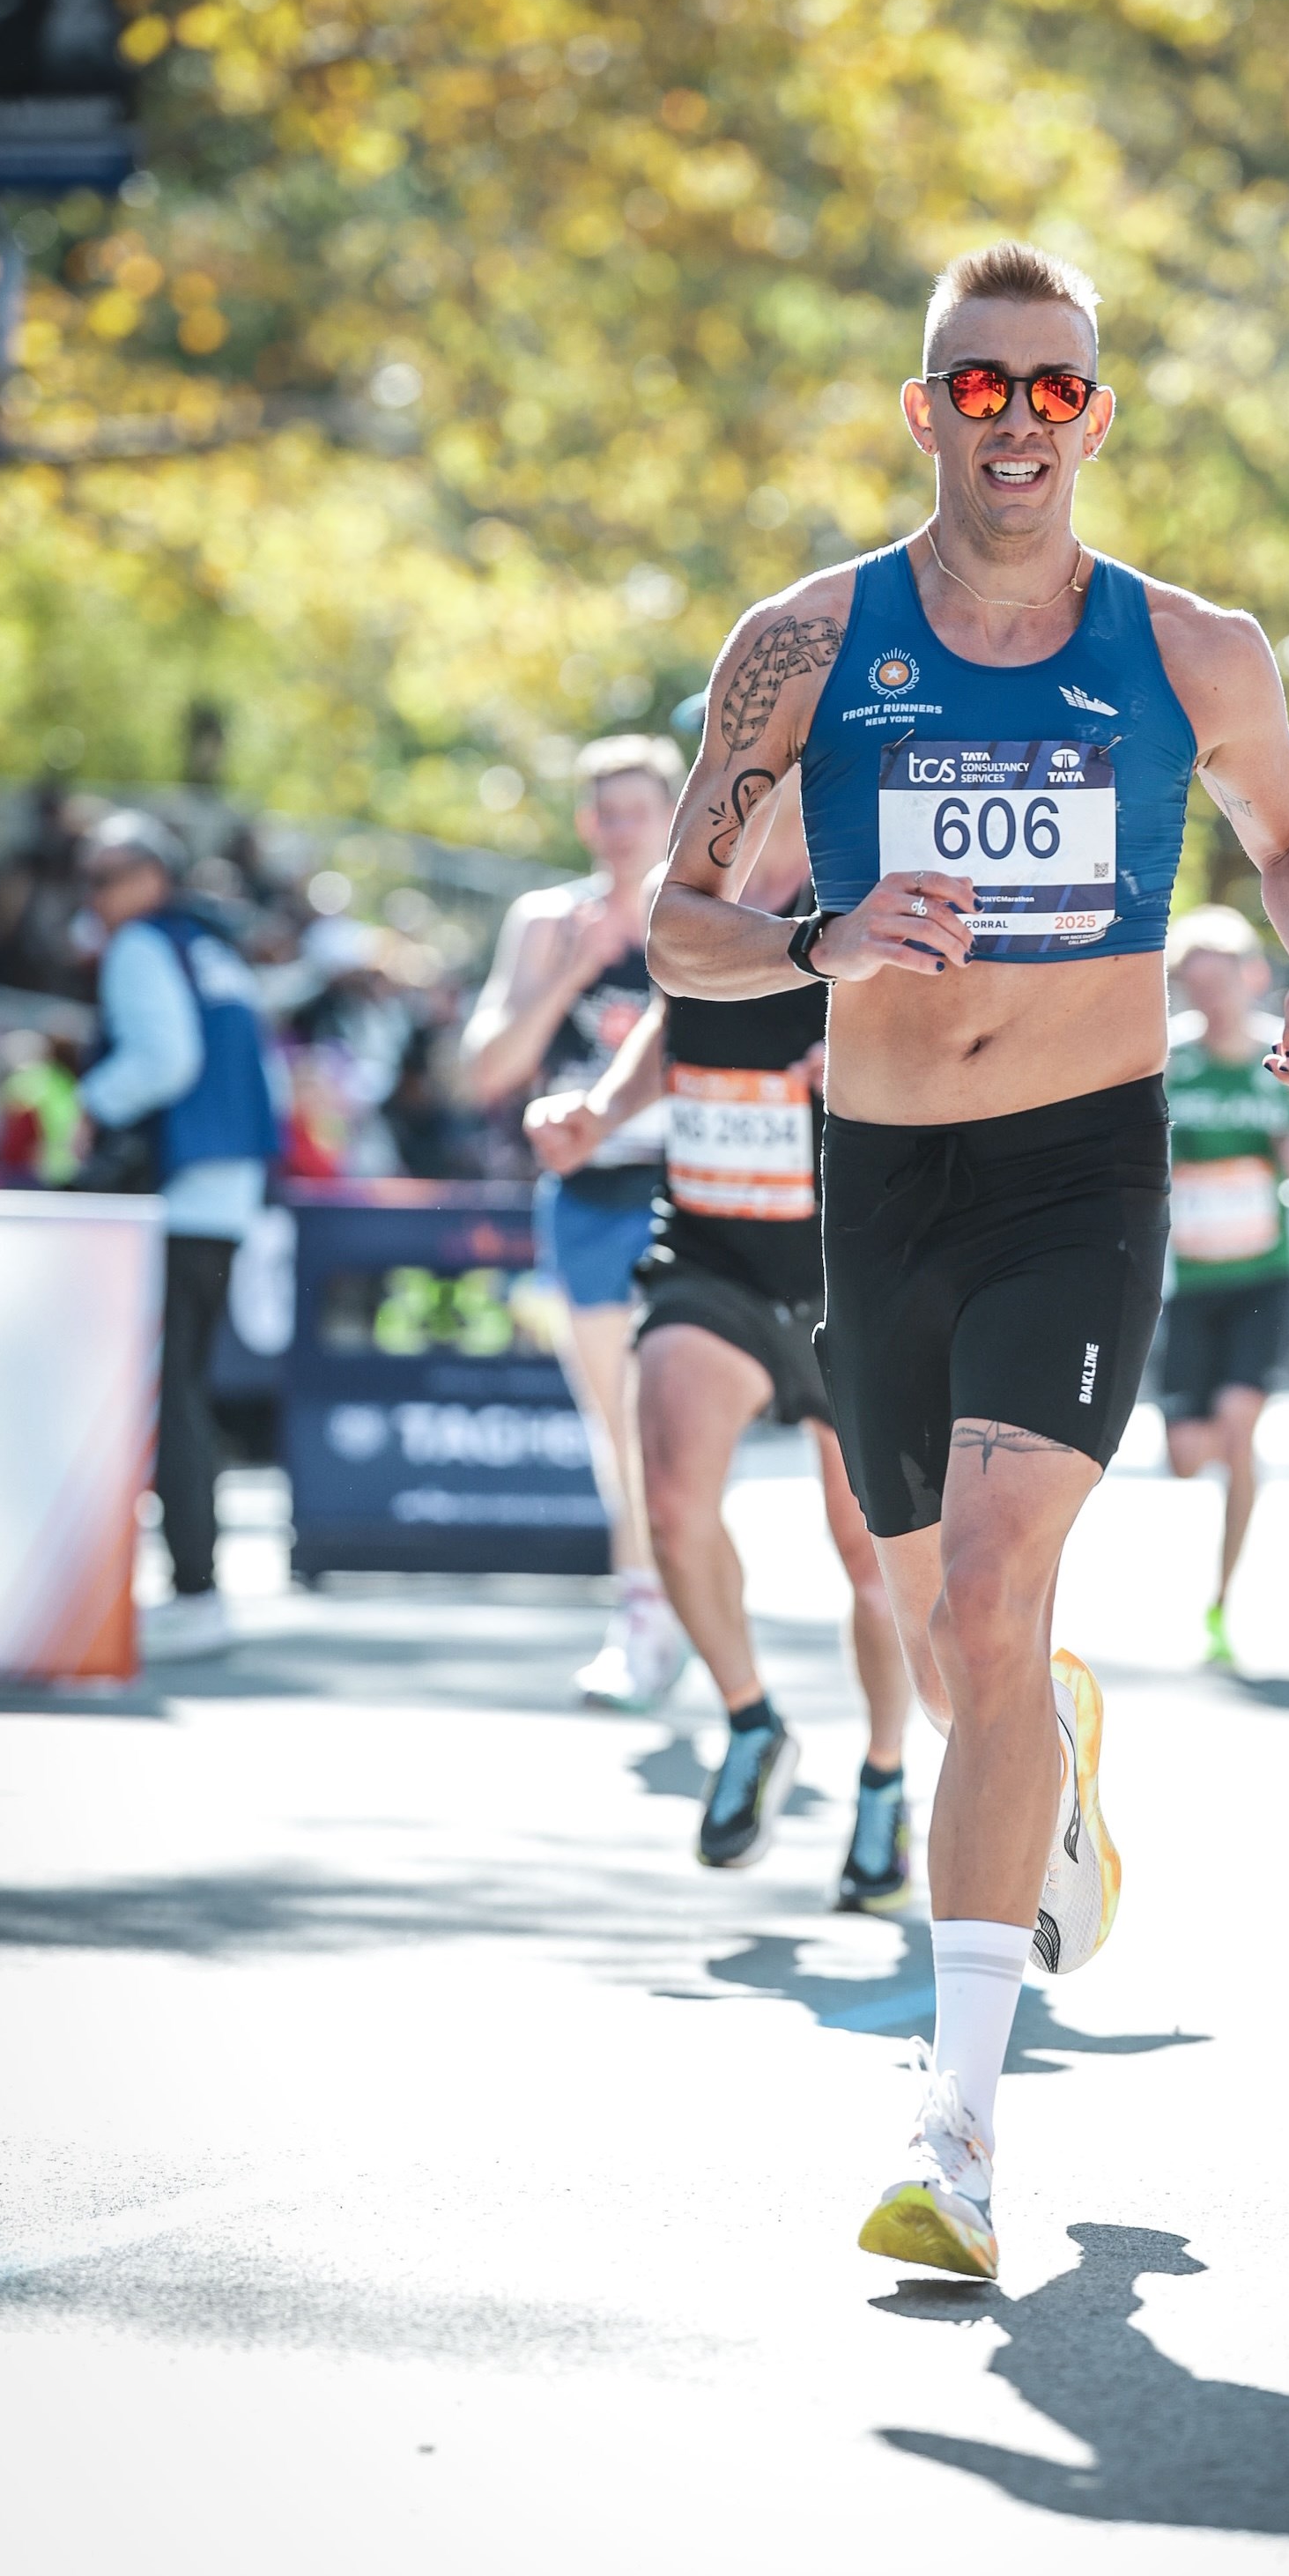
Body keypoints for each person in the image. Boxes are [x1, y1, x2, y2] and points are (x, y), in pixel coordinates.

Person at [647, 241, 1289, 2278]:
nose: (1018, 422)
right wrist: (820, 939)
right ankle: (1036, 1734)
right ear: (921, 408)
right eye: (980, 386)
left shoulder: (1188, 645)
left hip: (1079, 1172)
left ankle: (954, 2123)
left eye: (1055, 389)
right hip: (874, 1181)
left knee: (978, 1584)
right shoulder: (801, 642)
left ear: (1096, 416)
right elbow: (677, 919)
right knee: (942, 1631)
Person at [527, 777, 914, 1904]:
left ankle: (884, 1782)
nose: (739, 771)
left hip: (853, 1272)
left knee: (873, 1565)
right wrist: (598, 1108)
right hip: (711, 1258)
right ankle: (750, 1718)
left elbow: (962, 1033)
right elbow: (672, 1009)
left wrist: (869, 1068)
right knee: (674, 1505)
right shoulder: (681, 889)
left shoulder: (869, 883)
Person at [462, 737, 686, 1710]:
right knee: (618, 1417)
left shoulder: (701, 910)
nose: (620, 829)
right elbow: (485, 1070)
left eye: (639, 809)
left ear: (675, 812)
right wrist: (572, 970)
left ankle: (676, 1599)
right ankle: (648, 1607)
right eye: (605, 812)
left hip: (689, 1186)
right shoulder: (546, 918)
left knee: (676, 1411)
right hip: (587, 1192)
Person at [75, 811, 280, 1661]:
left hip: (178, 1199)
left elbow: (165, 1061)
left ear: (152, 874)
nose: (96, 892)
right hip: (224, 1196)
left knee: (172, 1398)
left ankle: (194, 1590)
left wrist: (90, 1103)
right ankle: (196, 1587)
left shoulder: (144, 947)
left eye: (110, 873)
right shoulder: (208, 943)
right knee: (185, 1390)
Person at [1158, 908, 1289, 1666]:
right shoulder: (1169, 1062)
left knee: (1238, 1431)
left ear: (1252, 978)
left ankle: (1220, 1599)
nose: (1211, 998)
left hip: (1263, 1279)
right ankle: (1233, 1460)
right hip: (1192, 1282)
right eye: (1194, 983)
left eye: (1223, 980)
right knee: (1187, 1453)